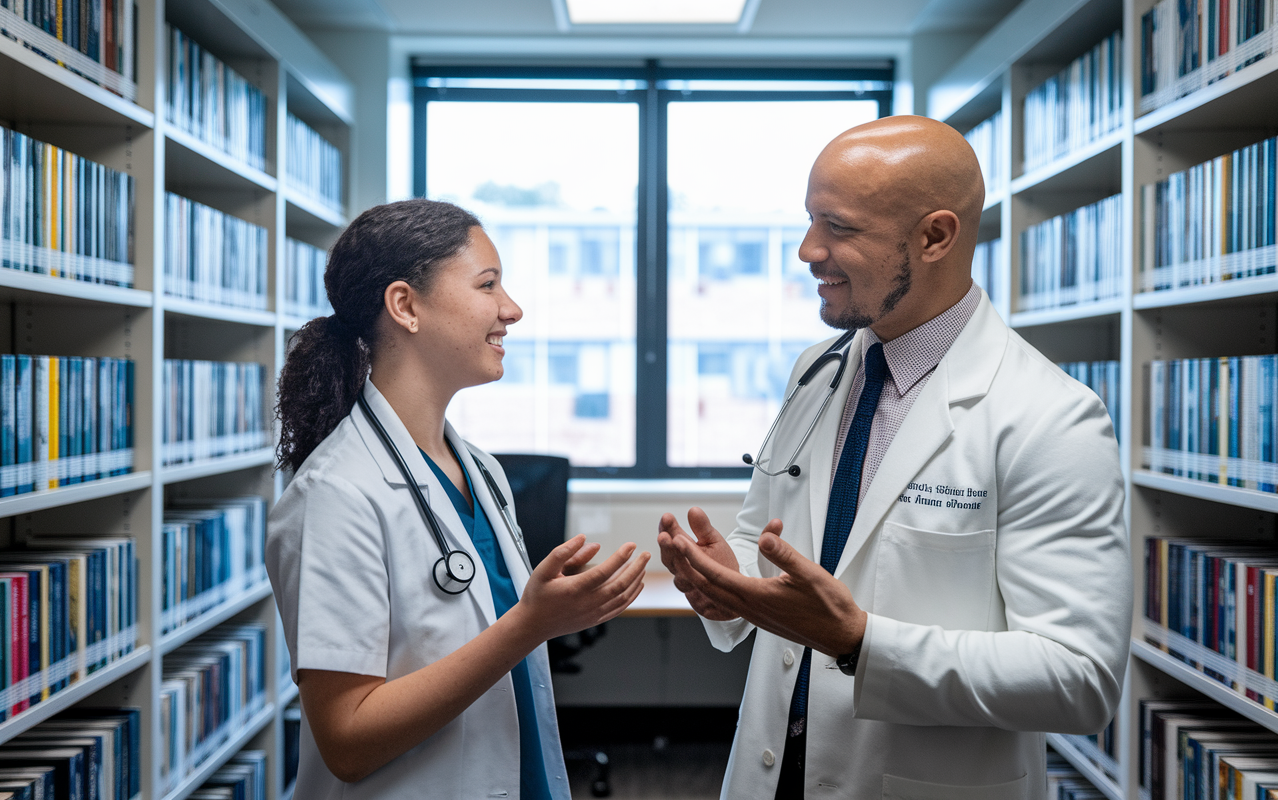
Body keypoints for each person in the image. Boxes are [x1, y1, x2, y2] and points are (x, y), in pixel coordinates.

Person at [657, 116, 1130, 799]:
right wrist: (728, 582)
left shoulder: (1050, 418)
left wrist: (859, 643)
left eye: (837, 227)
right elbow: (769, 537)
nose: (807, 250)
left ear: (936, 236)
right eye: (809, 220)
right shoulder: (816, 370)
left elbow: (1077, 679)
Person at [267, 199, 649, 800]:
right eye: (487, 285)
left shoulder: (482, 471)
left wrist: (555, 611)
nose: (511, 309)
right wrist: (532, 623)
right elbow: (347, 739)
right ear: (405, 306)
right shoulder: (334, 495)